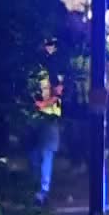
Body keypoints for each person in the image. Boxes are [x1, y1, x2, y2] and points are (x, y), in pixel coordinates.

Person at [29, 39, 66, 206]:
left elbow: (59, 91)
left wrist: (43, 104)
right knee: (35, 154)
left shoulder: (54, 67)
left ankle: (42, 191)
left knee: (45, 153)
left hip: (49, 117)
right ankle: (34, 189)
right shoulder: (32, 69)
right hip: (34, 117)